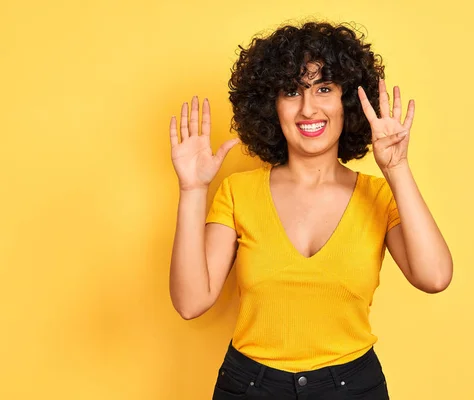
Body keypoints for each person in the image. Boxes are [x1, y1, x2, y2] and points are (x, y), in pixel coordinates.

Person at [168, 21, 453, 400]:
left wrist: (397, 169)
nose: (308, 108)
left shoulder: (379, 196)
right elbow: (190, 302)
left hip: (353, 388)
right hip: (249, 387)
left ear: (347, 100)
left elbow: (434, 277)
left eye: (323, 89)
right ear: (272, 105)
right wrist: (192, 189)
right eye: (291, 91)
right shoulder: (238, 191)